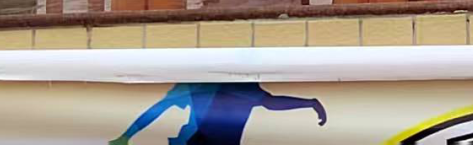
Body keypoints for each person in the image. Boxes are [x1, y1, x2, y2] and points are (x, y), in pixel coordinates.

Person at [109, 83, 326, 145]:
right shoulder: (190, 89)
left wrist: (310, 103)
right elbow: (157, 110)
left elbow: (270, 103)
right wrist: (127, 135)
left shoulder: (235, 89)